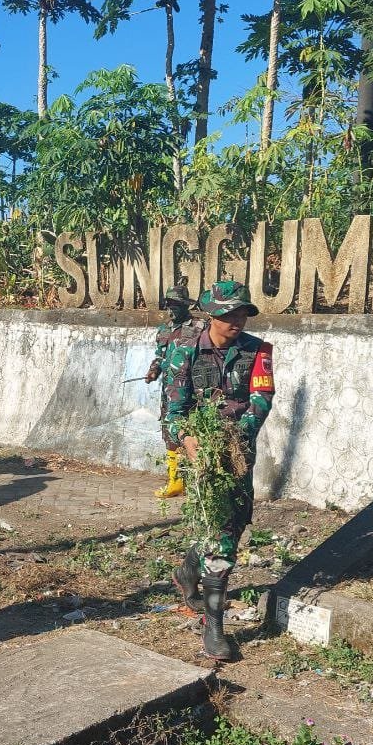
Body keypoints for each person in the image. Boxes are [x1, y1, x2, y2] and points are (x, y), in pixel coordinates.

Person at [164, 281, 275, 661]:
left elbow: (262, 399)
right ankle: (214, 630)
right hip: (203, 456)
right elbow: (173, 414)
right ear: (211, 315)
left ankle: (186, 573)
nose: (238, 321)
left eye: (243, 313)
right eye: (230, 314)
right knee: (220, 536)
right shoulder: (183, 351)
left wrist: (235, 436)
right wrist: (187, 438)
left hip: (239, 452)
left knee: (237, 522)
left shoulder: (258, 350)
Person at [146, 285, 205, 498]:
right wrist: (153, 371)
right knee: (170, 432)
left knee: (193, 433)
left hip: (192, 391)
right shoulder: (164, 330)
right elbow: (160, 357)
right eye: (168, 306)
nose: (170, 311)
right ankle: (176, 482)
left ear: (184, 306)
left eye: (174, 306)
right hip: (170, 391)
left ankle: (197, 482)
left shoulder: (199, 326)